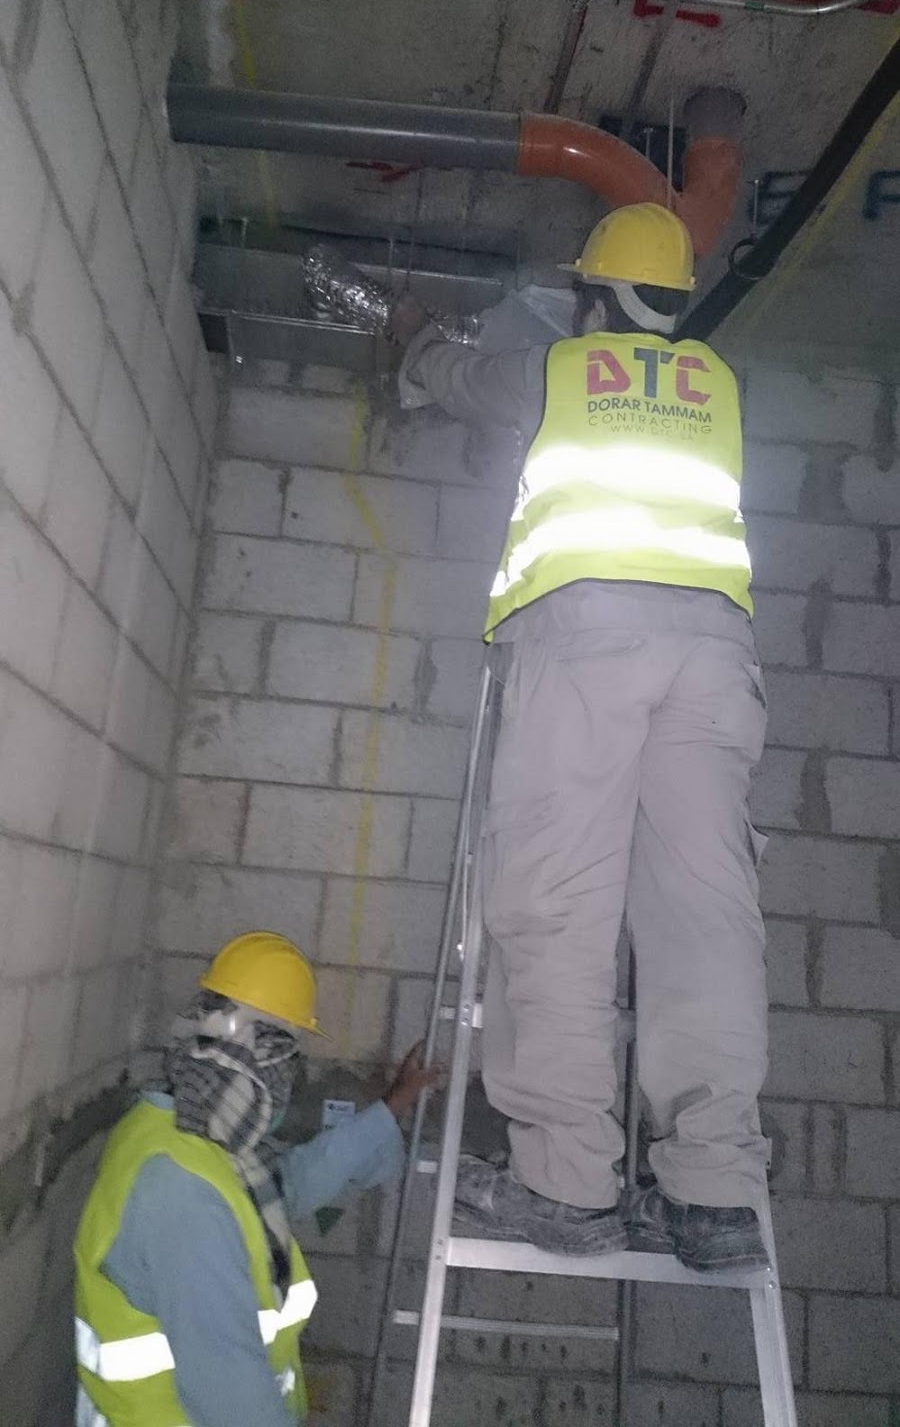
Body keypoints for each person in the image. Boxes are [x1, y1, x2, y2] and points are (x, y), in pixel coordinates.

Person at [391, 202, 769, 1273]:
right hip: (714, 658)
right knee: (705, 917)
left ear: (594, 297)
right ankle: (713, 1192)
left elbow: (460, 379)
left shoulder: (565, 371)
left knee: (556, 902)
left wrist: (412, 339)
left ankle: (565, 1177)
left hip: (590, 639)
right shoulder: (719, 385)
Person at [74, 931, 440, 1426]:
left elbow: (289, 1184)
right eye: (287, 1064)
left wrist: (392, 1107)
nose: (289, 1084)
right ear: (257, 1065)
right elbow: (236, 1406)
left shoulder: (173, 1128)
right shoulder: (185, 1196)